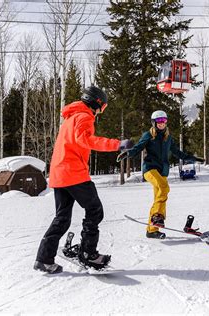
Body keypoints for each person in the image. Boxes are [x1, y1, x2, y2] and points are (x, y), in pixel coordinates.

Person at [34, 86, 134, 274]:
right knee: (95, 210)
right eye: (102, 108)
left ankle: (44, 259)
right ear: (96, 103)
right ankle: (88, 253)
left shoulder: (70, 118)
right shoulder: (84, 116)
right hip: (73, 172)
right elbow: (86, 140)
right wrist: (117, 144)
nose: (100, 112)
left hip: (59, 174)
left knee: (62, 218)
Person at [117, 110, 204, 239]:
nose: (162, 124)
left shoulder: (168, 138)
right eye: (159, 121)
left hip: (162, 171)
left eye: (164, 121)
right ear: (154, 122)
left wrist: (193, 159)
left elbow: (178, 153)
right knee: (164, 188)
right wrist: (127, 153)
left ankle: (152, 230)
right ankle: (157, 217)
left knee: (160, 197)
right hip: (150, 169)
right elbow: (138, 147)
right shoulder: (148, 135)